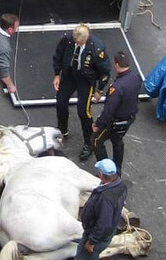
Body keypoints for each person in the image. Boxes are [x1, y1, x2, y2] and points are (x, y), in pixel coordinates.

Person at [67, 159, 127, 260]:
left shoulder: (106, 197)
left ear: (102, 175)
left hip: (96, 236)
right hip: (102, 234)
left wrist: (91, 241)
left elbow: (104, 223)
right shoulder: (119, 185)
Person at [53, 24, 111, 160]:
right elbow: (58, 55)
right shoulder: (67, 40)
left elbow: (105, 72)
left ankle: (88, 142)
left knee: (83, 111)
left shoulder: (97, 49)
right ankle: (62, 130)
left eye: (79, 42)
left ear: (86, 38)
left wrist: (99, 89)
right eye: (75, 41)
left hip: (86, 79)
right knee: (60, 103)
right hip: (69, 75)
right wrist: (57, 74)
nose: (76, 44)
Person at [92, 51, 142, 176]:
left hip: (115, 121)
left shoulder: (117, 86)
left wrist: (98, 124)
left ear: (117, 65)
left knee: (96, 140)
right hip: (129, 118)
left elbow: (109, 109)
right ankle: (117, 170)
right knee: (117, 141)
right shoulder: (136, 77)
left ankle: (107, 172)